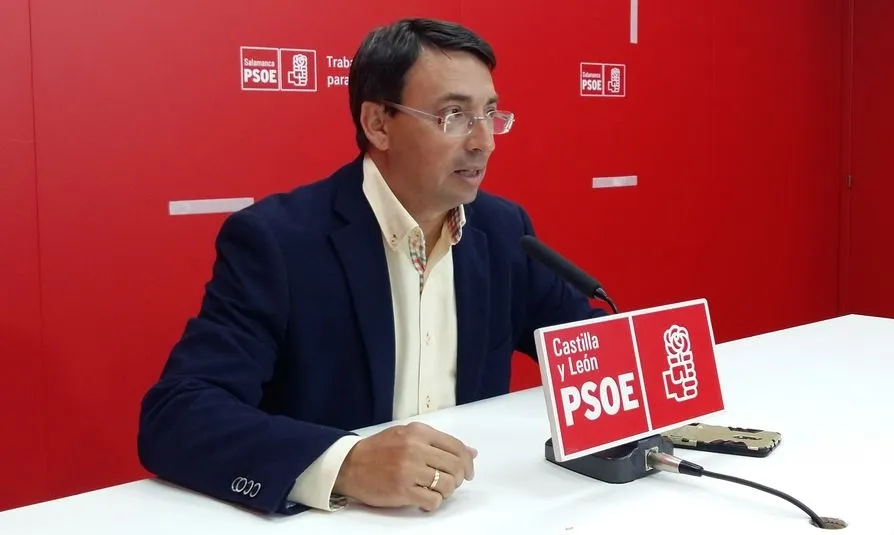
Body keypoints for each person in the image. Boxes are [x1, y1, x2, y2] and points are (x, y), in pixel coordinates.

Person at [137, 17, 605, 516]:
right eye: (454, 115)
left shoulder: (504, 230)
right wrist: (346, 463)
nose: (484, 141)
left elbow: (590, 347)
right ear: (378, 124)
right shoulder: (280, 242)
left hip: (472, 510)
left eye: (490, 114)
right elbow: (177, 416)